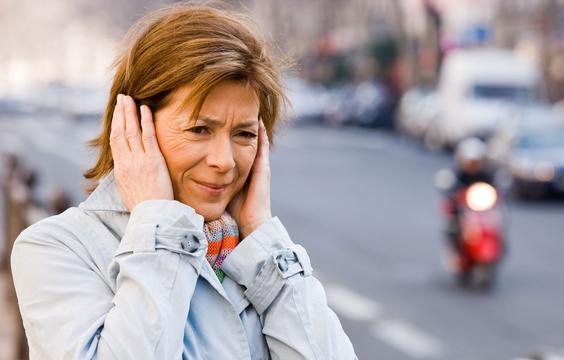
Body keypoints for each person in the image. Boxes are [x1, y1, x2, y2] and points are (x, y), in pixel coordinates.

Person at [10, 4, 357, 359]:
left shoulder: (253, 254)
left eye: (243, 134)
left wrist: (266, 245)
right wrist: (159, 226)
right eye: (199, 129)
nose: (223, 161)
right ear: (132, 126)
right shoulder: (57, 248)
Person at [444, 138, 495, 254]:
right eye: (470, 161)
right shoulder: (458, 176)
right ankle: (456, 250)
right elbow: (449, 189)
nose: (473, 165)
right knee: (454, 225)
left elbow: (497, 187)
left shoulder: (487, 176)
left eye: (476, 161)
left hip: (482, 209)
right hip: (463, 210)